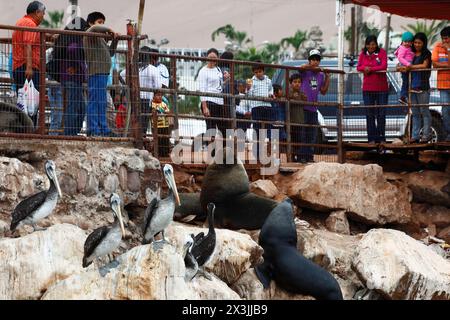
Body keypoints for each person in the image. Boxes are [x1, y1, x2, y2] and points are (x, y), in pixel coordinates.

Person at [50, 17, 89, 136]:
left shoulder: (64, 38)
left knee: (80, 106)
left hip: (69, 78)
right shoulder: (74, 41)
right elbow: (73, 49)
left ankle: (73, 132)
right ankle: (70, 133)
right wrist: (76, 66)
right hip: (72, 78)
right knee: (75, 106)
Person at [83, 11, 119, 137]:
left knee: (101, 102)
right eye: (100, 22)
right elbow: (94, 28)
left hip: (103, 73)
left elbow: (111, 53)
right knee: (94, 101)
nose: (102, 25)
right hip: (96, 72)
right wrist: (109, 29)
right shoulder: (90, 34)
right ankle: (93, 129)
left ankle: (103, 128)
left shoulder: (100, 38)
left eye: (103, 23)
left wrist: (115, 40)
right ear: (91, 23)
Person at [12, 1, 46, 128]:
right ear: (37, 12)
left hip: (20, 66)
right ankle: (29, 129)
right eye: (43, 13)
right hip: (27, 68)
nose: (43, 16)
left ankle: (24, 129)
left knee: (23, 102)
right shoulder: (30, 24)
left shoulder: (21, 22)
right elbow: (28, 45)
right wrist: (29, 67)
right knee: (31, 103)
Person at [296, 49, 330, 162]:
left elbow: (323, 91)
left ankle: (309, 156)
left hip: (314, 108)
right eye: (313, 59)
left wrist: (328, 77)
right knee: (304, 133)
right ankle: (301, 156)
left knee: (312, 134)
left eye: (317, 60)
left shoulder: (320, 75)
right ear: (309, 60)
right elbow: (300, 68)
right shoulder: (306, 72)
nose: (315, 62)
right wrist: (311, 67)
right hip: (304, 107)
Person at [120, 46, 162, 135]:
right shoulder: (153, 69)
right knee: (143, 126)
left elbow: (121, 74)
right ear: (149, 56)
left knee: (132, 123)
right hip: (145, 101)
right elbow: (158, 86)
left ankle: (132, 140)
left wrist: (126, 86)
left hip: (132, 99)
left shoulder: (133, 68)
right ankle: (140, 142)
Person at [399, 33, 432, 143]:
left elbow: (425, 66)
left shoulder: (426, 53)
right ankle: (415, 136)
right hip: (411, 87)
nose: (417, 44)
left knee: (425, 112)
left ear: (424, 43)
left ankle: (427, 135)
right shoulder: (410, 53)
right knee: (415, 113)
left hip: (423, 87)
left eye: (419, 43)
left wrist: (410, 67)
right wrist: (401, 67)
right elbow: (401, 64)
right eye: (415, 42)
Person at [357, 35, 389, 144]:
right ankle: (371, 139)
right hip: (367, 89)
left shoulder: (382, 53)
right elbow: (359, 67)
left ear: (376, 44)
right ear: (366, 45)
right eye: (369, 44)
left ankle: (381, 138)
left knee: (381, 114)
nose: (371, 46)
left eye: (373, 44)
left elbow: (384, 66)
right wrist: (365, 68)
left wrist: (370, 69)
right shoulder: (362, 54)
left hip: (382, 89)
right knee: (369, 114)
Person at [248, 61, 274, 161]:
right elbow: (249, 94)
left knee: (268, 131)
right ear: (254, 73)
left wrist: (271, 95)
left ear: (263, 71)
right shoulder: (251, 81)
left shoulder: (268, 81)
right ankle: (257, 155)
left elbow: (270, 90)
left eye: (259, 71)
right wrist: (248, 89)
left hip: (267, 106)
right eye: (256, 72)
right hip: (257, 107)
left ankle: (268, 154)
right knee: (257, 131)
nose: (258, 74)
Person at [198, 48, 224, 136]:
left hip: (220, 102)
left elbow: (219, 85)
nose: (212, 59)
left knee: (222, 128)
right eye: (210, 57)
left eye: (214, 57)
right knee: (211, 128)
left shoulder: (218, 69)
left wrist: (227, 79)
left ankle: (222, 148)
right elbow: (202, 90)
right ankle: (210, 148)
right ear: (207, 58)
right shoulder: (203, 71)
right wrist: (205, 107)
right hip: (209, 102)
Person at [432, 26, 450, 141]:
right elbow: (434, 63)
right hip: (443, 85)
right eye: (443, 39)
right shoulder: (437, 46)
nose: (444, 41)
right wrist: (447, 65)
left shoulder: (446, 48)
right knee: (445, 110)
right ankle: (449, 133)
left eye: (447, 38)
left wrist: (448, 50)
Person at [288, 73, 307, 162]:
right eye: (295, 82)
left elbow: (305, 100)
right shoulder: (289, 92)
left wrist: (302, 98)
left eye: (299, 82)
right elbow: (284, 100)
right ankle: (292, 157)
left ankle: (298, 157)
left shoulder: (302, 93)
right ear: (291, 83)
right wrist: (292, 98)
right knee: (292, 139)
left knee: (299, 140)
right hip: (291, 121)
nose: (297, 84)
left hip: (300, 121)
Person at [395, 31, 415, 105]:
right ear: (402, 41)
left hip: (408, 67)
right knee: (406, 82)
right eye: (405, 41)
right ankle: (403, 96)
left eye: (409, 42)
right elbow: (400, 58)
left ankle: (405, 96)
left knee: (408, 82)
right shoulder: (402, 48)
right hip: (405, 67)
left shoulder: (409, 48)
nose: (407, 43)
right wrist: (407, 64)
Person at [151, 90, 172, 157]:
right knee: (158, 140)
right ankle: (157, 153)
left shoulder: (164, 104)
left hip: (165, 125)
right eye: (158, 95)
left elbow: (168, 112)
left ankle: (165, 154)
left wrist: (167, 113)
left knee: (165, 140)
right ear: (154, 96)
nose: (160, 97)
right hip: (156, 126)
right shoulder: (152, 104)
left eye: (161, 95)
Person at [271, 84, 287, 150]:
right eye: (280, 90)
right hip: (275, 123)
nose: (282, 92)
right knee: (275, 140)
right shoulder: (272, 102)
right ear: (275, 92)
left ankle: (279, 155)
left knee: (281, 139)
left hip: (281, 123)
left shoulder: (282, 101)